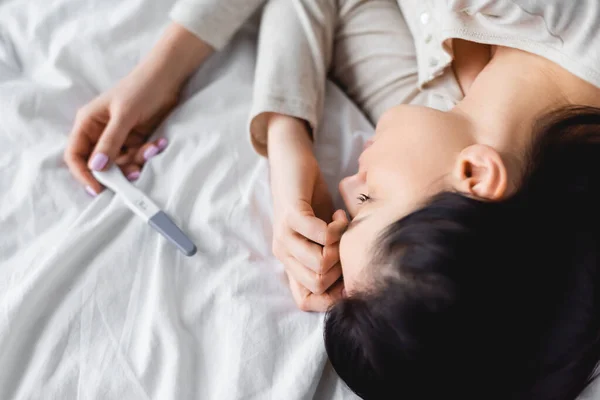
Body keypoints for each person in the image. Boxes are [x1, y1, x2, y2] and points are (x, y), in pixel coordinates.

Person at [64, 0, 600, 398]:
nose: (346, 185)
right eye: (369, 198)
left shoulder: (442, 113)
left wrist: (287, 143)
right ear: (475, 174)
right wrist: (166, 66)